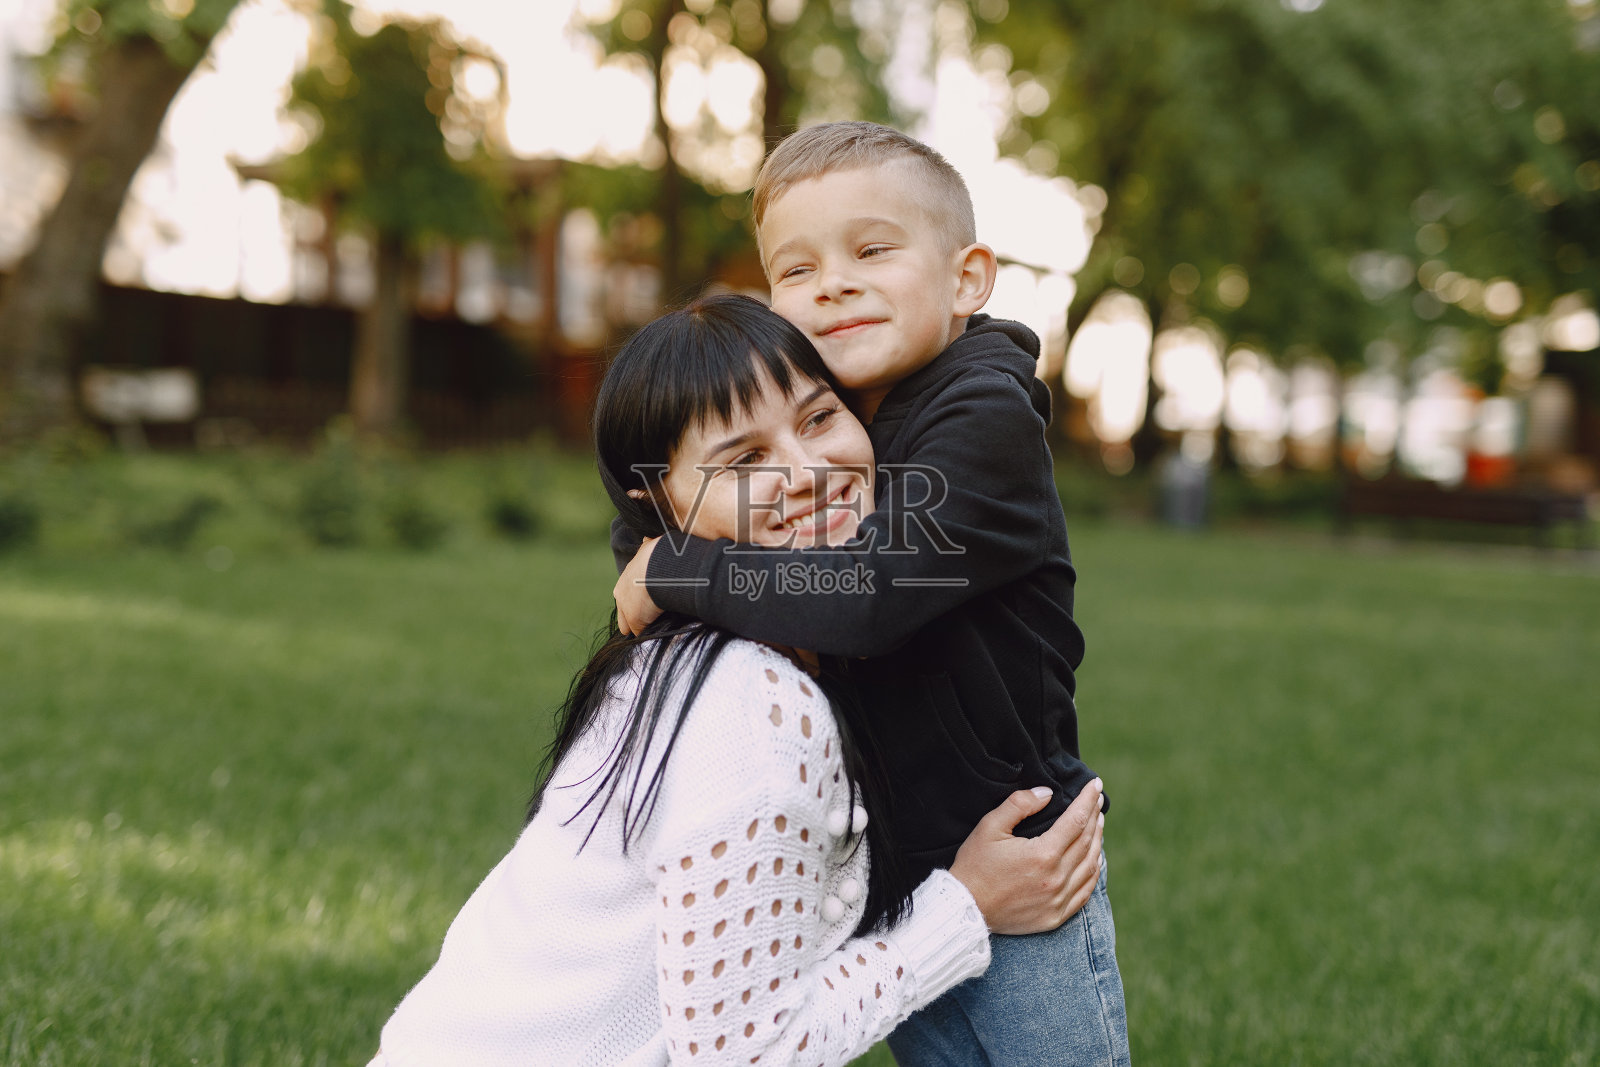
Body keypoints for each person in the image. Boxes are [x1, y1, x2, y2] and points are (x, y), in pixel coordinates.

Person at [368, 295, 1107, 1067]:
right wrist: (967, 905)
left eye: (820, 418)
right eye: (744, 462)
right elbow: (744, 1055)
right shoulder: (755, 702)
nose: (807, 472)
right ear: (661, 508)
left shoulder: (739, 652)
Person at [613, 122, 1130, 1066]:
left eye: (872, 250)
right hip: (892, 877)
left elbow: (866, 596)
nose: (833, 284)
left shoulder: (985, 415)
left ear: (968, 278)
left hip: (1013, 852)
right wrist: (665, 542)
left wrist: (681, 571)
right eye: (797, 270)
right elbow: (670, 501)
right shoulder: (836, 411)